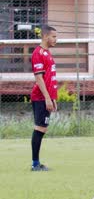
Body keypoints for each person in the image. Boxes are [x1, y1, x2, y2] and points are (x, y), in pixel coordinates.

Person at [30, 25, 58, 171]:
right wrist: (47, 97)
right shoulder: (38, 53)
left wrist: (53, 97)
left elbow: (49, 78)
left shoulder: (47, 53)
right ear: (45, 36)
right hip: (40, 97)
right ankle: (35, 164)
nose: (56, 39)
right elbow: (39, 78)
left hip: (46, 97)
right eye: (53, 36)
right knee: (40, 128)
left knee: (42, 129)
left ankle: (36, 163)